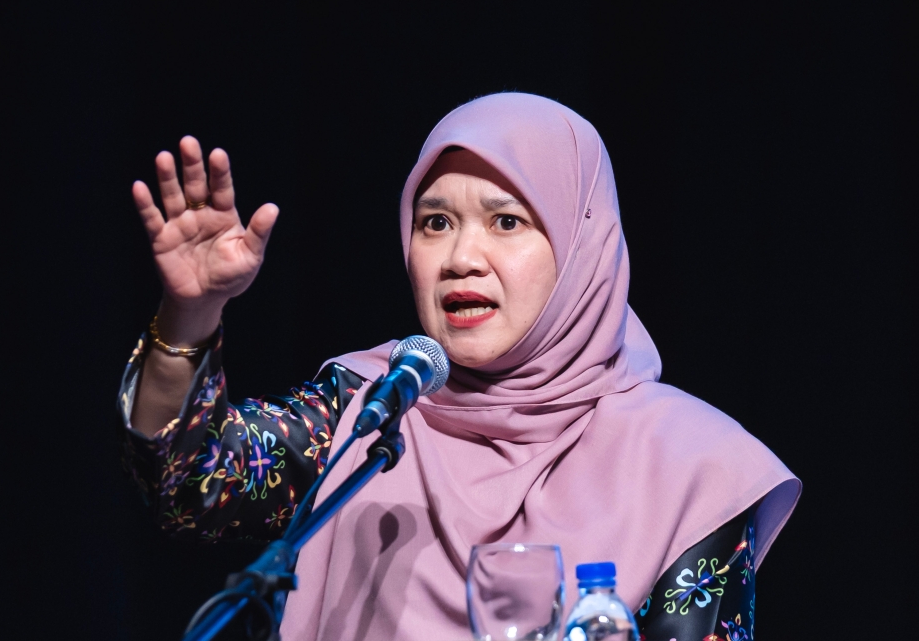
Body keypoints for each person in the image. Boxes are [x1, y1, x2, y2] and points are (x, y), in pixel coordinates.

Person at [120, 93, 800, 640]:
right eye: (434, 222)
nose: (460, 258)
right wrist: (192, 313)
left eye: (506, 223)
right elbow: (189, 487)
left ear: (584, 243)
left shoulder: (692, 468)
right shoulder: (371, 410)